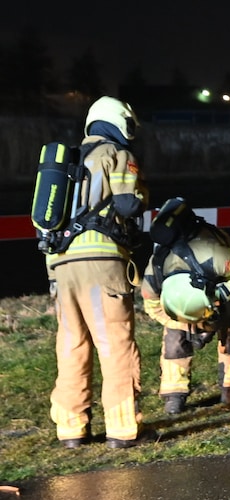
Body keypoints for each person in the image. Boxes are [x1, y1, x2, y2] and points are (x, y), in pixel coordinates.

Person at [46, 96, 150, 449]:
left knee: (72, 345)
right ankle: (122, 429)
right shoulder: (116, 154)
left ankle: (71, 429)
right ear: (122, 123)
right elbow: (128, 204)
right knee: (115, 343)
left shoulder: (69, 161)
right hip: (102, 262)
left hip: (62, 265)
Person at [140, 197, 230, 414]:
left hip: (222, 298)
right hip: (182, 309)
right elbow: (151, 301)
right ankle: (174, 396)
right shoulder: (158, 266)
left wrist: (225, 293)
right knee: (174, 338)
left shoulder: (211, 254)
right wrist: (176, 321)